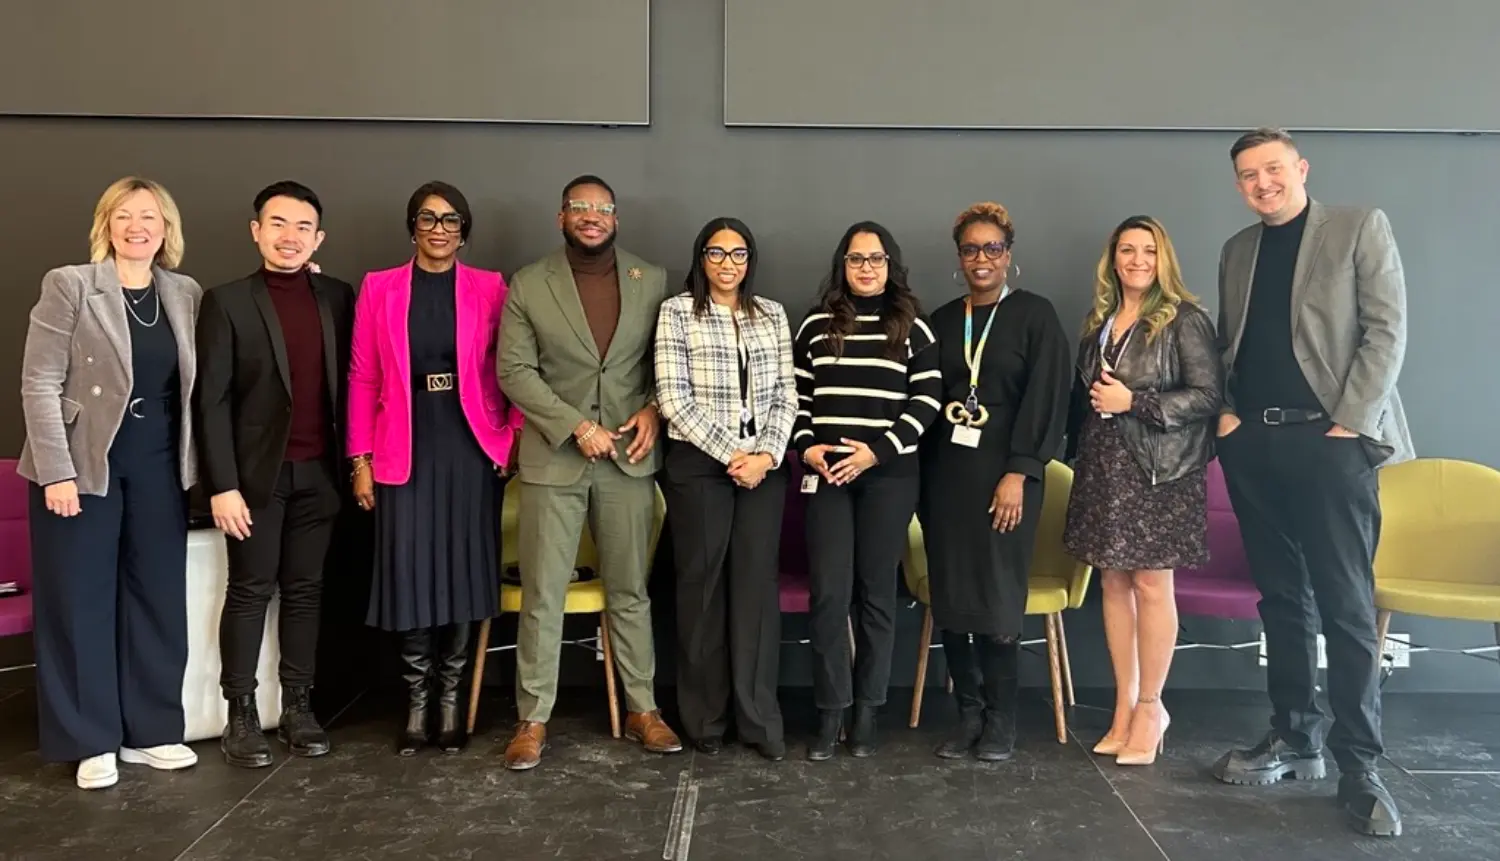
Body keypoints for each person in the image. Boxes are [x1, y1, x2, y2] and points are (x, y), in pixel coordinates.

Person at [1211, 127, 1412, 838]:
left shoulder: (1358, 227)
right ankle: (1296, 735)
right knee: (1282, 598)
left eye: (1272, 168)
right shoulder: (1238, 250)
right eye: (1247, 174)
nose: (1262, 182)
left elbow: (1386, 332)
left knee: (1347, 606)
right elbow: (1228, 339)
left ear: (1299, 168)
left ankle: (1361, 766)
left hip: (1330, 442)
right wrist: (1229, 418)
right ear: (1239, 184)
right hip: (1254, 444)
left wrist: (1350, 425)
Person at [18, 176, 203, 790]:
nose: (137, 226)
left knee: (157, 596)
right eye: (123, 215)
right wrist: (56, 471)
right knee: (80, 599)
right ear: (107, 224)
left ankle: (151, 732)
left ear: (166, 229)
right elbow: (39, 383)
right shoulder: (70, 284)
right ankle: (90, 739)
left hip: (157, 463)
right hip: (82, 463)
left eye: (149, 215)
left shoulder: (184, 293)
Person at [497, 174, 681, 770]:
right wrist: (577, 425)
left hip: (628, 459)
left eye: (602, 208)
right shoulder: (529, 283)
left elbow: (667, 360)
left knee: (630, 592)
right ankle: (532, 719)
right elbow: (515, 370)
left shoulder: (650, 280)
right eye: (580, 206)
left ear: (616, 219)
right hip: (556, 460)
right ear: (561, 218)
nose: (591, 215)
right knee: (543, 596)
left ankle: (643, 709)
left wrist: (655, 407)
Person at [347, 181, 524, 756]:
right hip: (403, 445)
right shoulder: (380, 288)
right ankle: (418, 699)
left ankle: (451, 698)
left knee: (465, 571)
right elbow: (363, 377)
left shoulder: (491, 287)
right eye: (428, 218)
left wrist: (513, 437)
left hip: (471, 445)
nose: (440, 228)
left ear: (464, 230)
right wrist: (360, 459)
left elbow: (516, 364)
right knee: (412, 573)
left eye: (451, 220)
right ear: (413, 226)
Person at [193, 181, 355, 768]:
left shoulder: (339, 296)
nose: (290, 237)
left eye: (302, 227)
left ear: (318, 238)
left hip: (321, 475)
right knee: (250, 590)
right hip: (255, 481)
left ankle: (298, 707)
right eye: (278, 224)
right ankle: (240, 713)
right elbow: (208, 401)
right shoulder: (228, 300)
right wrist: (222, 484)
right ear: (256, 230)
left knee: (307, 592)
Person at [1062, 214, 1222, 766]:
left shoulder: (1184, 320)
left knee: (1153, 586)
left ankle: (1152, 708)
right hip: (1106, 469)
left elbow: (1207, 396)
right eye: (1126, 250)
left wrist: (1137, 402)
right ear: (1112, 259)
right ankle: (1124, 705)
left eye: (1147, 252)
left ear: (1163, 260)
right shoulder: (1101, 320)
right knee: (1113, 584)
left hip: (1161, 472)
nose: (1136, 260)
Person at [916, 203, 1070, 762]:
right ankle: (968, 717)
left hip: (1007, 476)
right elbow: (926, 399)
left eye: (992, 249)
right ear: (958, 258)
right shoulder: (939, 320)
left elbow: (1049, 400)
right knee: (953, 598)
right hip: (947, 479)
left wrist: (1020, 471)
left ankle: (1003, 721)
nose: (981, 259)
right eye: (970, 250)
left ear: (1009, 255)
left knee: (999, 598)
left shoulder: (1035, 316)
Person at [791, 221, 942, 761]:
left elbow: (925, 405)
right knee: (830, 595)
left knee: (876, 594)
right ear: (843, 266)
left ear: (891, 266)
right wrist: (808, 448)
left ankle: (868, 712)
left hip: (888, 476)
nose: (866, 268)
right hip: (826, 474)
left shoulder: (914, 329)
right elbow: (797, 399)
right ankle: (830, 712)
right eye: (856, 260)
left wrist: (875, 452)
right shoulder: (814, 325)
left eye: (876, 260)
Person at [654, 217, 798, 761]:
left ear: (750, 260)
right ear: (701, 258)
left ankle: (759, 721)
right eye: (716, 253)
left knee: (756, 594)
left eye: (738, 254)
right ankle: (705, 721)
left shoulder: (772, 315)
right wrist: (733, 454)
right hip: (700, 467)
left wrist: (765, 455)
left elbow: (787, 390)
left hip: (763, 467)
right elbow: (673, 398)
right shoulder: (675, 312)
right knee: (702, 591)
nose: (728, 263)